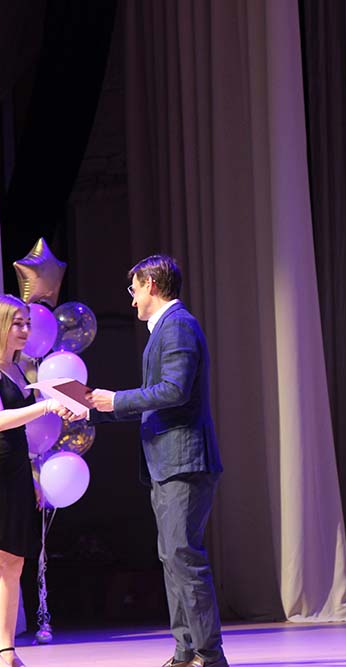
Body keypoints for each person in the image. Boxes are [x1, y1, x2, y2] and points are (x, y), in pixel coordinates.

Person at [86, 255, 228, 667]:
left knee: (183, 556)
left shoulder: (178, 325)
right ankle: (186, 650)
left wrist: (116, 400)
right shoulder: (166, 328)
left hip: (184, 460)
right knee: (172, 558)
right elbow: (155, 400)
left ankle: (208, 654)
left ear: (150, 284)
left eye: (133, 290)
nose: (131, 300)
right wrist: (94, 409)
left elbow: (174, 391)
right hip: (167, 463)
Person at [0, 294, 75, 667]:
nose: (26, 330)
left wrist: (33, 477)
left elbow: (21, 435)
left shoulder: (16, 369)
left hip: (15, 467)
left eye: (27, 322)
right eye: (18, 323)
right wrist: (46, 404)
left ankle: (7, 649)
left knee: (14, 563)